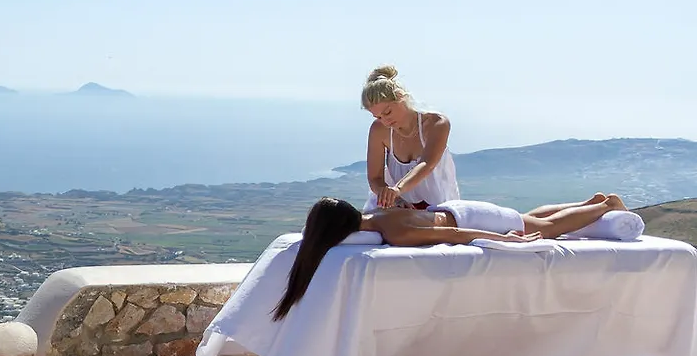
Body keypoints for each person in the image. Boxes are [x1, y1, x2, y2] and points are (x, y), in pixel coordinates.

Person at [270, 193, 629, 322]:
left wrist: (501, 239)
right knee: (526, 217)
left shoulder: (394, 232)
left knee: (545, 228)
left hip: (470, 219)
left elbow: (454, 235)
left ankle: (605, 206)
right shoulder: (375, 216)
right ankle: (590, 202)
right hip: (457, 210)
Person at [361, 65, 460, 210]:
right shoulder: (379, 130)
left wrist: (398, 189)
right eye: (378, 117)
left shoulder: (436, 124)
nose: (385, 121)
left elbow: (427, 164)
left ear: (401, 97)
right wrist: (394, 199)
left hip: (439, 207)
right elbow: (375, 178)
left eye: (387, 112)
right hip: (399, 206)